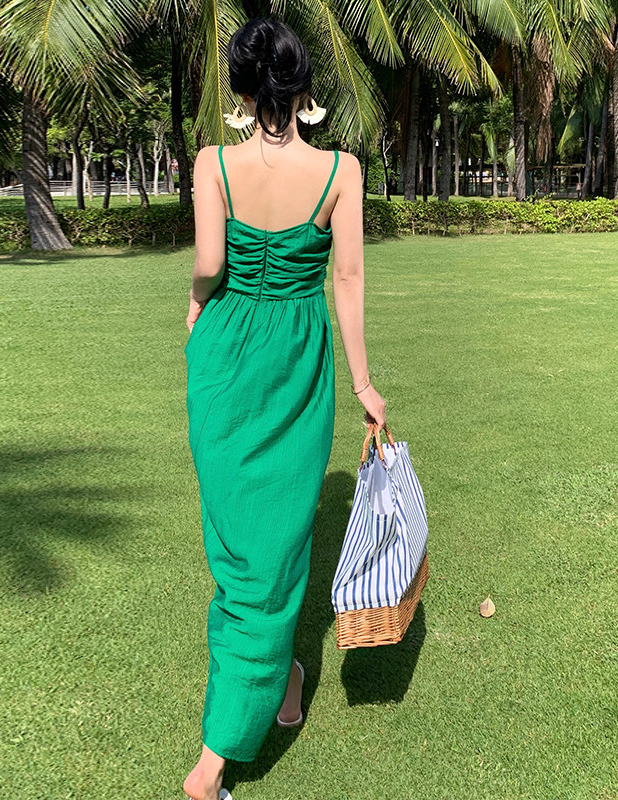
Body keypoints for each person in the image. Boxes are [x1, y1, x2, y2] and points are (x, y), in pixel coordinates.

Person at [183, 16, 386, 800]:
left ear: (241, 90)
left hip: (226, 358)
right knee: (272, 553)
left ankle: (283, 680)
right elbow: (349, 280)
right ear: (304, 90)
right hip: (298, 360)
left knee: (243, 549)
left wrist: (195, 305)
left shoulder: (213, 162)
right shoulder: (341, 171)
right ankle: (214, 762)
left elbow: (210, 262)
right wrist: (363, 385)